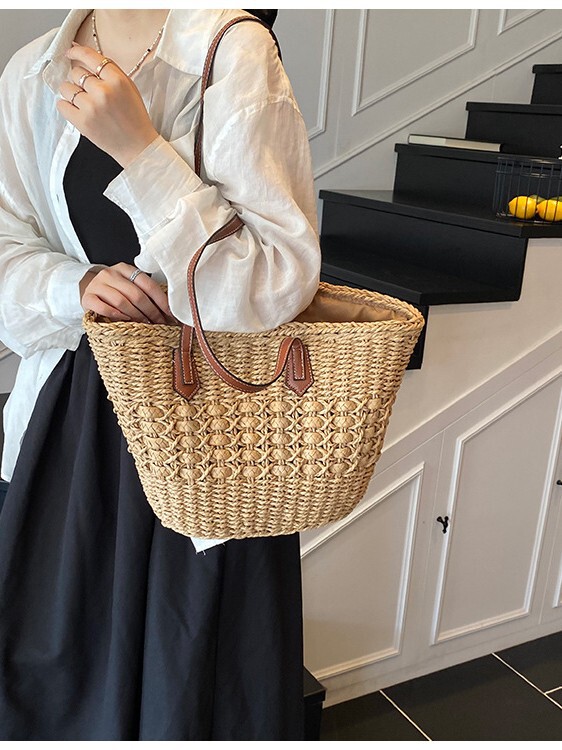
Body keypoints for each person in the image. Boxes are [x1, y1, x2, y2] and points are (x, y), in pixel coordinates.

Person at [0, 9, 321, 741]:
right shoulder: (33, 72)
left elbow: (275, 281)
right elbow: (7, 242)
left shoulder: (230, 51)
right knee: (52, 686)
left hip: (208, 439)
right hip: (69, 430)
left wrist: (140, 151)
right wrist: (75, 287)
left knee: (191, 694)